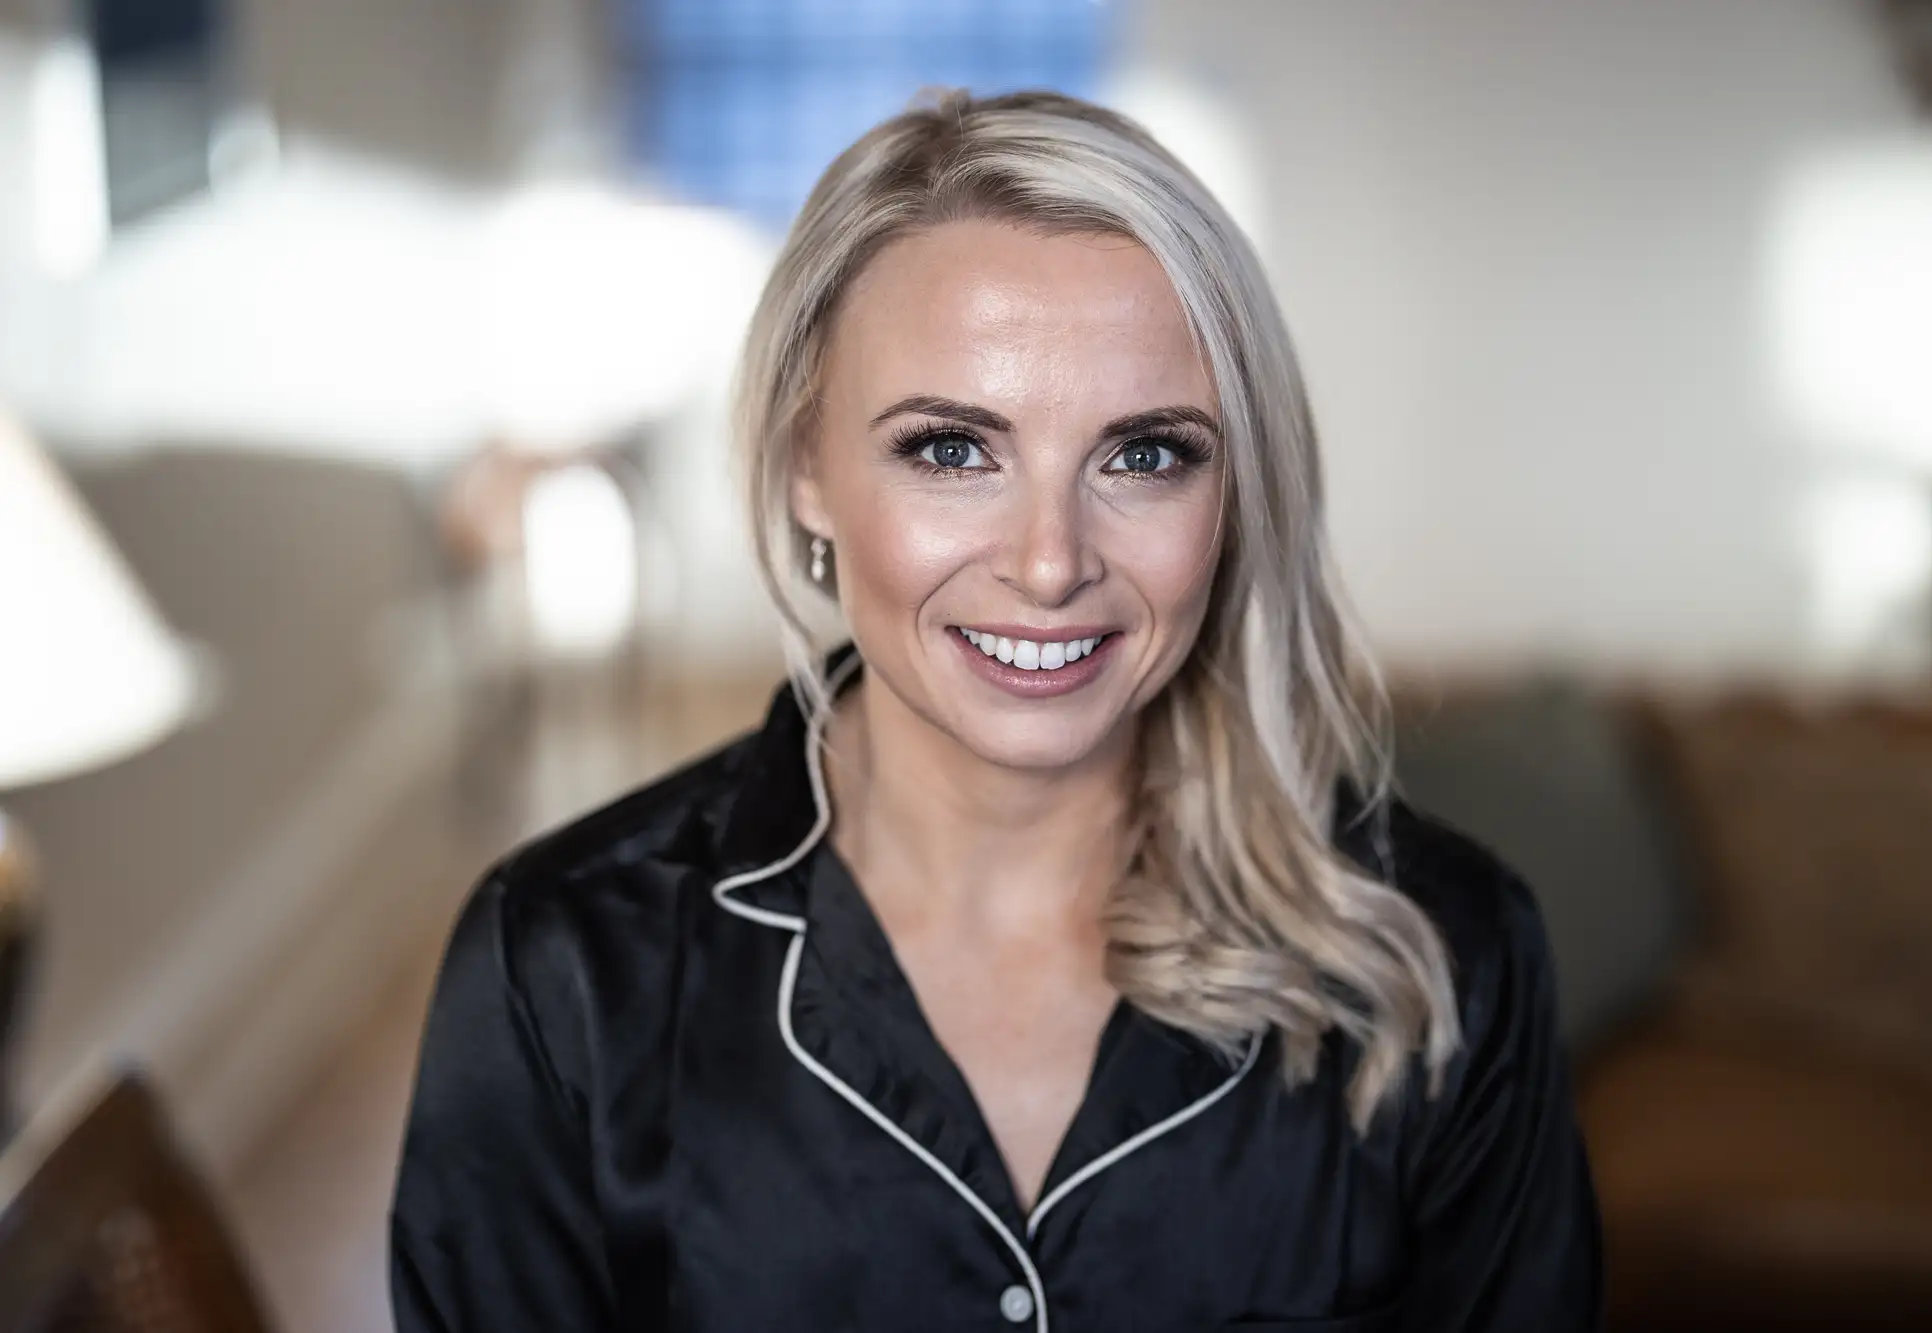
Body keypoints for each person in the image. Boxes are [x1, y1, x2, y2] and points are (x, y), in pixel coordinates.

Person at [390, 89, 1601, 1333]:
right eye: (950, 449)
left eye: (1143, 455)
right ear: (805, 466)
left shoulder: (1441, 954)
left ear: (1234, 490)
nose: (1048, 561)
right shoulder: (564, 970)